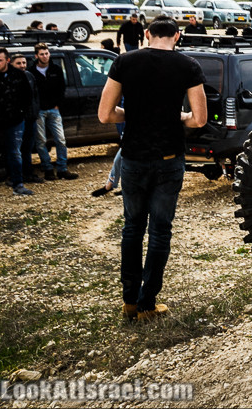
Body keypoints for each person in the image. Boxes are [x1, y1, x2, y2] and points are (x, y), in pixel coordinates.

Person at [97, 16, 206, 322]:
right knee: (159, 232)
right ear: (177, 36)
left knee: (132, 228)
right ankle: (147, 304)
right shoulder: (188, 66)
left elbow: (105, 115)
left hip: (132, 158)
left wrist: (132, 114)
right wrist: (177, 118)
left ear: (146, 34)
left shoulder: (124, 62)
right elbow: (198, 119)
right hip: (169, 159)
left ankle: (129, 301)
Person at [0, 47, 34, 195]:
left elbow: (28, 97)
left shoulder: (18, 75)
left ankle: (18, 185)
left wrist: (21, 113)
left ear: (7, 60)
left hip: (14, 122)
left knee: (14, 153)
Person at [29, 42, 77, 179]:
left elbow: (62, 88)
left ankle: (62, 169)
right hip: (39, 111)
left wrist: (57, 104)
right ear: (36, 56)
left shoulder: (55, 69)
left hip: (54, 110)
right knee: (40, 141)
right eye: (42, 54)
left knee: (61, 139)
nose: (45, 56)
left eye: (46, 53)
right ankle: (48, 169)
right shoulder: (32, 72)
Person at [10, 53, 43, 184]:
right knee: (15, 150)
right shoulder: (8, 78)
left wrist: (35, 112)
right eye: (18, 63)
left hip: (31, 119)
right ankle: (14, 177)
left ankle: (28, 174)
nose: (22, 65)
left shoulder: (29, 76)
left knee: (27, 149)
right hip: (16, 121)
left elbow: (35, 96)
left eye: (24, 63)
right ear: (11, 64)